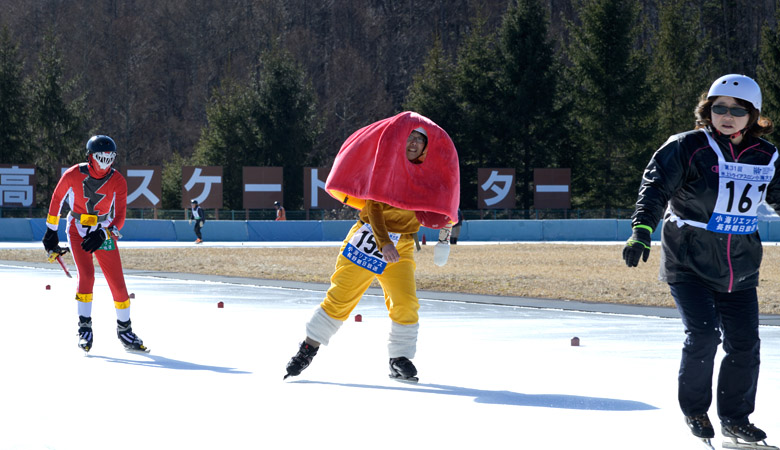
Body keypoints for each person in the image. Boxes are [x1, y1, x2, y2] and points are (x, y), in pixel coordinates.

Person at [623, 74, 779, 447]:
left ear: (753, 115)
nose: (726, 116)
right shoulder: (688, 147)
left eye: (737, 110)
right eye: (718, 107)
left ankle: (736, 419)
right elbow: (655, 187)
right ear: (708, 110)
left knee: (744, 344)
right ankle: (695, 409)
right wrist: (642, 230)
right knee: (704, 334)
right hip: (688, 261)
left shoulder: (767, 155)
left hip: (739, 265)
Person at [284, 112, 459, 382]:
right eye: (409, 138)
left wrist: (445, 231)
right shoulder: (387, 167)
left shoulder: (429, 176)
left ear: (426, 148)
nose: (413, 143)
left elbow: (437, 210)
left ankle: (399, 358)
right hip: (368, 239)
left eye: (419, 141)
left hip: (402, 247)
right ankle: (309, 347)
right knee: (341, 296)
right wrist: (384, 242)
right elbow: (373, 207)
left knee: (406, 302)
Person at [42, 135, 148, 353]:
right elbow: (57, 199)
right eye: (101, 157)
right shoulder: (73, 174)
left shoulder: (118, 180)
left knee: (117, 283)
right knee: (87, 275)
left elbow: (120, 216)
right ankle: (84, 328)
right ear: (90, 157)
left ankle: (125, 330)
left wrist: (106, 232)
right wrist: (51, 231)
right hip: (77, 228)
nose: (106, 162)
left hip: (103, 230)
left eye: (110, 157)